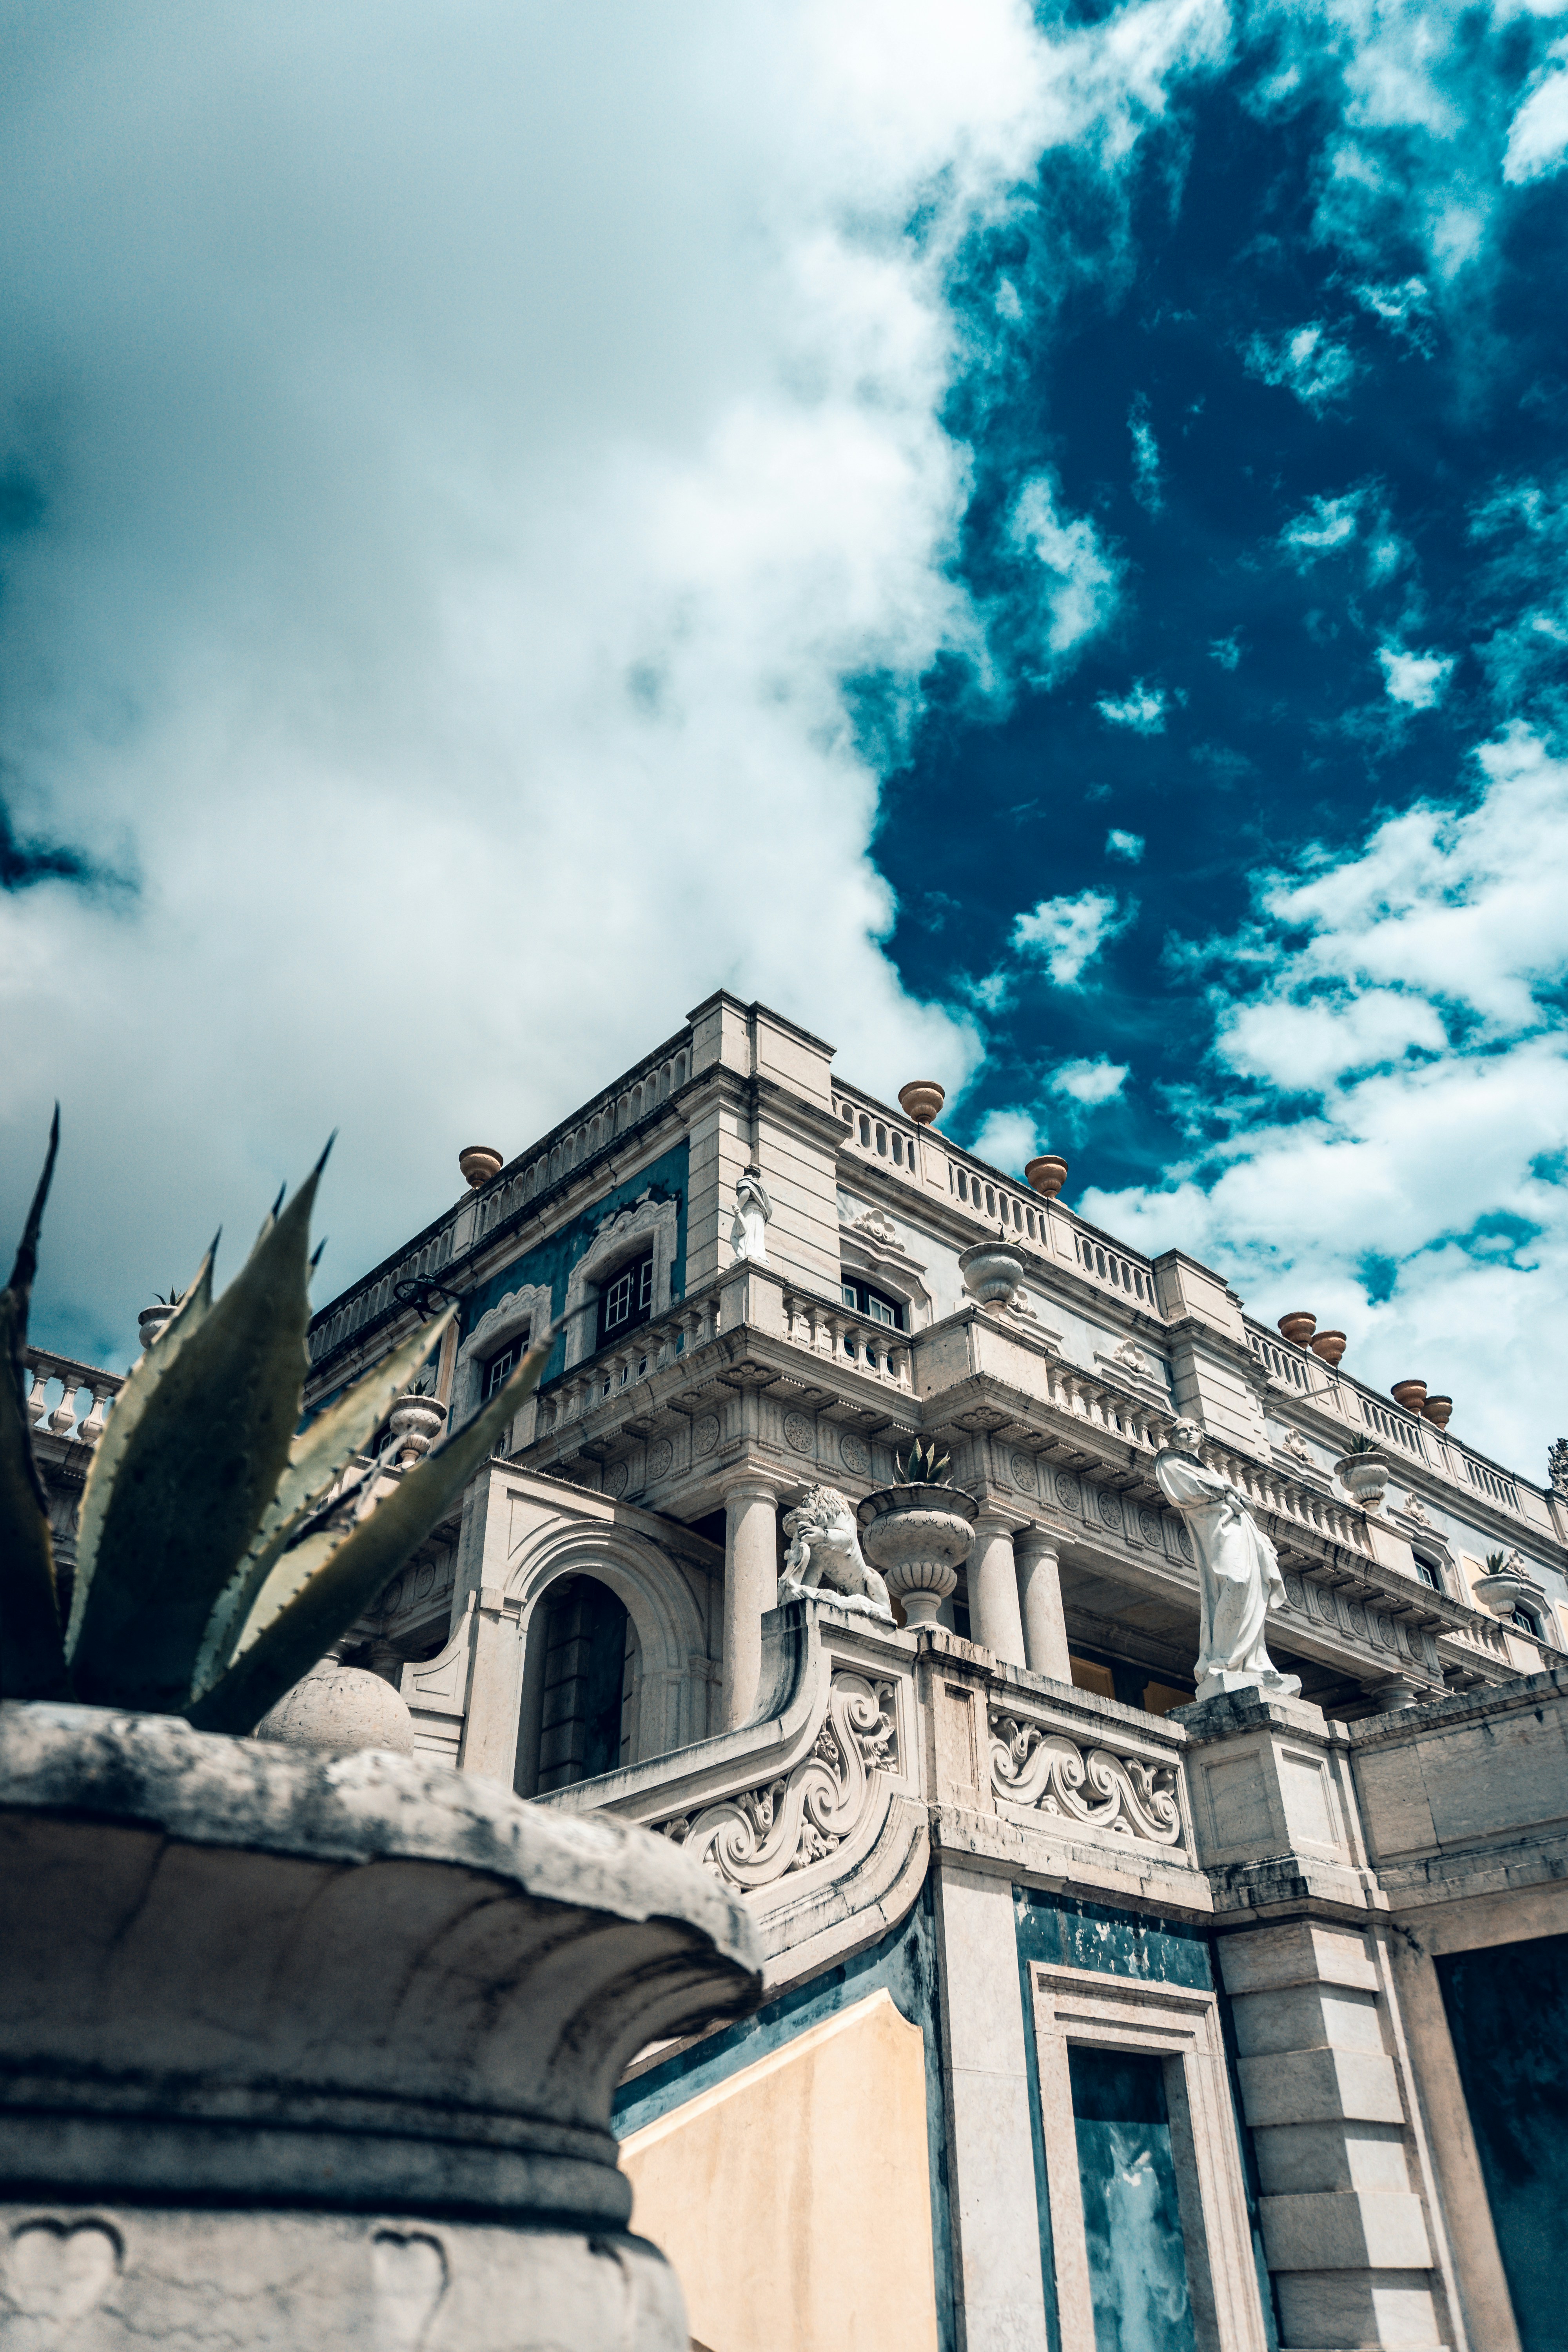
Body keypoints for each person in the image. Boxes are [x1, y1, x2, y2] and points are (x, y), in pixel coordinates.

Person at [1154, 1419, 1301, 1703]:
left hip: (1239, 1529)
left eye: (1195, 1429)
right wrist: (1227, 1492)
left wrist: (1233, 1496)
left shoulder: (1205, 1469)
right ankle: (1221, 1657)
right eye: (1183, 1430)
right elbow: (1189, 1491)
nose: (1189, 1433)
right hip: (1216, 1529)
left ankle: (1252, 1663)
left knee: (1253, 1590)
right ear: (1173, 1438)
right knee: (1236, 1581)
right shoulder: (1170, 1462)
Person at [729, 1168, 772, 1265]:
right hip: (760, 1215)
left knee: (737, 1236)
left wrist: (738, 1207)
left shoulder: (746, 1182)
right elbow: (770, 1208)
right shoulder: (760, 1188)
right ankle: (757, 1256)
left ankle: (743, 1255)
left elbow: (746, 1191)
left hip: (749, 1212)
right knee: (756, 1236)